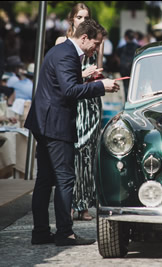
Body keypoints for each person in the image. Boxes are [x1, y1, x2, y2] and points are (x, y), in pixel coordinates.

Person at [25, 19, 120, 246]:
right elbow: (69, 90)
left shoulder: (61, 51)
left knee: (45, 180)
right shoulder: (67, 54)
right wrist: (101, 87)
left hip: (45, 123)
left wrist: (88, 79)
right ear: (84, 37)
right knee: (65, 179)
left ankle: (40, 233)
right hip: (55, 125)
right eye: (95, 44)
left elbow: (64, 85)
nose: (96, 49)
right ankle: (65, 233)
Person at [56, 3, 104, 222]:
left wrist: (97, 75)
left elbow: (99, 72)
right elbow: (64, 80)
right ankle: (72, 204)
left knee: (89, 154)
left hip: (91, 103)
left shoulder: (97, 41)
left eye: (86, 17)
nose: (83, 21)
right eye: (79, 17)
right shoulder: (62, 43)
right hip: (74, 100)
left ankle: (85, 204)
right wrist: (83, 74)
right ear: (72, 20)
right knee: (75, 152)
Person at [117, 29, 140, 98]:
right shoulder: (138, 48)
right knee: (135, 88)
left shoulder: (121, 49)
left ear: (125, 37)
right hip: (135, 71)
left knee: (126, 89)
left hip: (124, 72)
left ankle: (127, 102)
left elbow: (117, 58)